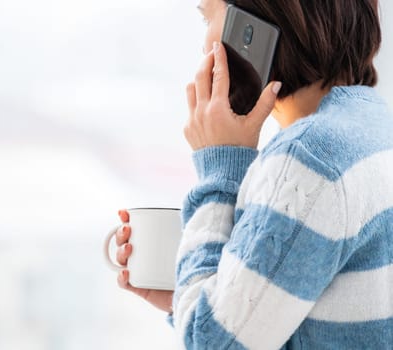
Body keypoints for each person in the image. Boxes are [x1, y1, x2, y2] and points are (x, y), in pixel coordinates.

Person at [112, 0, 393, 348]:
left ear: (254, 25)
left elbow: (213, 344)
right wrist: (189, 299)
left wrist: (221, 166)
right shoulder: (373, 126)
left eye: (206, 18)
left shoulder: (307, 158)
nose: (204, 46)